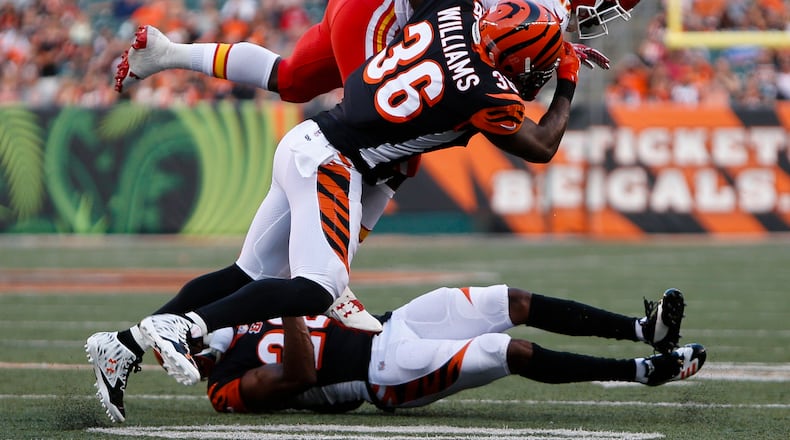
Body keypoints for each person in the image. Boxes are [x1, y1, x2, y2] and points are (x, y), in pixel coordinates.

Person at [84, 0, 627, 423]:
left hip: (314, 135)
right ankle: (185, 323)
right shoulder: (485, 91)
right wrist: (567, 78)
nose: (528, 82)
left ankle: (123, 346)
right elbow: (542, 145)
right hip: (333, 156)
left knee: (253, 270)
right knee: (318, 284)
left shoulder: (457, 13)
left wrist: (540, 35)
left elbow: (475, 38)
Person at [200, 285, 703, 413]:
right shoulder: (223, 388)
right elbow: (297, 377)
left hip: (396, 322)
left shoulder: (245, 312)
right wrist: (289, 303)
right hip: (387, 374)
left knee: (512, 301)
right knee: (508, 351)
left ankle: (644, 331)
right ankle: (641, 370)